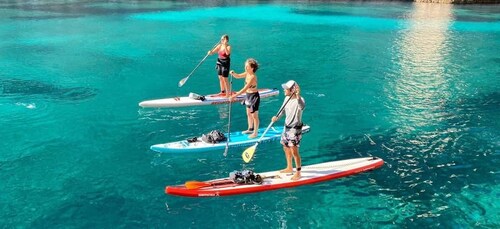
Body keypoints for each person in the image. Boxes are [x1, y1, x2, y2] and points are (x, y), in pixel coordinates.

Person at [272, 80, 305, 180]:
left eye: (286, 89)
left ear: (292, 90)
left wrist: (298, 96)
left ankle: (298, 172)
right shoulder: (286, 98)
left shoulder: (300, 100)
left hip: (295, 129)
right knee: (285, 147)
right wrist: (276, 117)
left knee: (294, 151)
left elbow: (301, 106)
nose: (284, 91)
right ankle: (289, 167)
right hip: (286, 128)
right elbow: (282, 111)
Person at [229, 58, 260, 138]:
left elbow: (244, 89)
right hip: (248, 96)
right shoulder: (247, 73)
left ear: (252, 68)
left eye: (247, 67)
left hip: (253, 97)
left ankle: (255, 133)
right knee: (248, 114)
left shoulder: (253, 77)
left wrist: (234, 96)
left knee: (254, 116)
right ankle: (250, 129)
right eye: (245, 66)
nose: (245, 68)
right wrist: (233, 73)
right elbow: (238, 76)